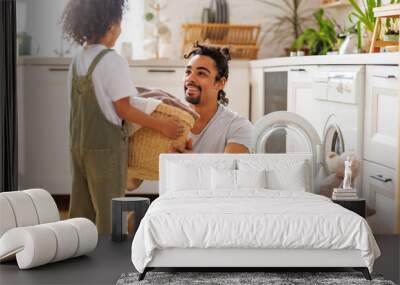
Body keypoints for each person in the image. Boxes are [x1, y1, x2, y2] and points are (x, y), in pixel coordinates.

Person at [61, 0, 183, 234]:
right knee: (110, 212)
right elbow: (124, 109)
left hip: (78, 146)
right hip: (105, 150)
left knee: (80, 210)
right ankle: (110, 263)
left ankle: (75, 253)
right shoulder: (112, 60)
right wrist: (162, 125)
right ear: (111, 24)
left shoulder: (77, 59)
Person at [182, 43, 254, 153]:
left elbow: (228, 169)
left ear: (220, 83)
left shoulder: (238, 127)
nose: (190, 78)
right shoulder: (171, 120)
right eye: (188, 72)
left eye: (201, 73)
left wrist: (185, 161)